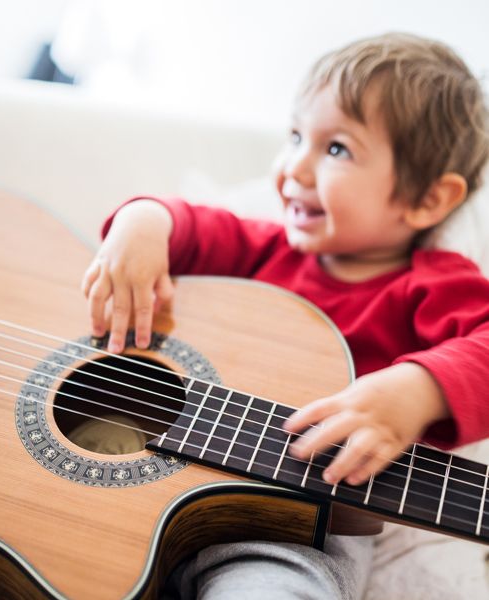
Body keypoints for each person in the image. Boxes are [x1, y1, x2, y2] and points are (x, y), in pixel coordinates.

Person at [82, 33, 489, 599]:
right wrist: (143, 222)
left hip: (294, 526)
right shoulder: (267, 248)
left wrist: (416, 389)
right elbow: (191, 225)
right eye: (296, 135)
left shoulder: (433, 282)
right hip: (147, 487)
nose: (294, 166)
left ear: (428, 200)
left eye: (337, 149)